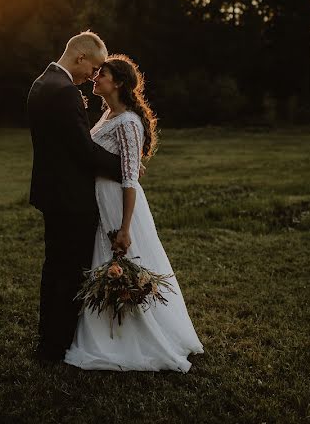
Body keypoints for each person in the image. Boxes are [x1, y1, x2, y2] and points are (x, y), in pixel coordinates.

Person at [64, 54, 203, 372]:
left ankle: (136, 339)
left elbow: (129, 178)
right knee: (104, 263)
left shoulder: (128, 121)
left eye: (103, 74)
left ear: (120, 83)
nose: (96, 77)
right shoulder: (107, 115)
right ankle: (113, 333)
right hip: (99, 198)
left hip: (117, 202)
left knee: (123, 264)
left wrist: (125, 227)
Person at [27, 31, 122, 363]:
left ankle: (47, 340)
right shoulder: (65, 92)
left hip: (51, 192)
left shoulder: (42, 82)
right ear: (80, 57)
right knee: (70, 272)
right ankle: (57, 346)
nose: (94, 76)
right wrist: (124, 166)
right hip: (70, 198)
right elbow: (83, 151)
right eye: (94, 68)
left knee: (53, 267)